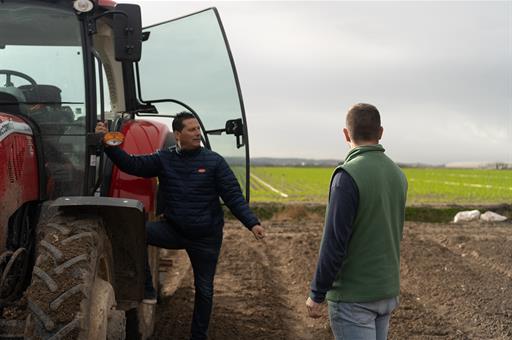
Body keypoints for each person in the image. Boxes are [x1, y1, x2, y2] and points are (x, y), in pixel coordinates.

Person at [96, 112, 265, 340]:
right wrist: (107, 143)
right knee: (135, 232)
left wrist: (252, 223)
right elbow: (131, 164)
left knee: (204, 290)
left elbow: (234, 197)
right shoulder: (164, 159)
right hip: (173, 231)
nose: (197, 133)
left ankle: (198, 336)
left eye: (198, 129)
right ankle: (147, 287)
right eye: (191, 130)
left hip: (206, 238)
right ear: (178, 134)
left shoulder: (214, 162)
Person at [306, 103, 407, 340]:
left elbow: (334, 243)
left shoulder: (347, 176)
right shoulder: (398, 174)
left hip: (353, 297)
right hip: (386, 292)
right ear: (380, 132)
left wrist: (317, 293)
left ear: (346, 134)